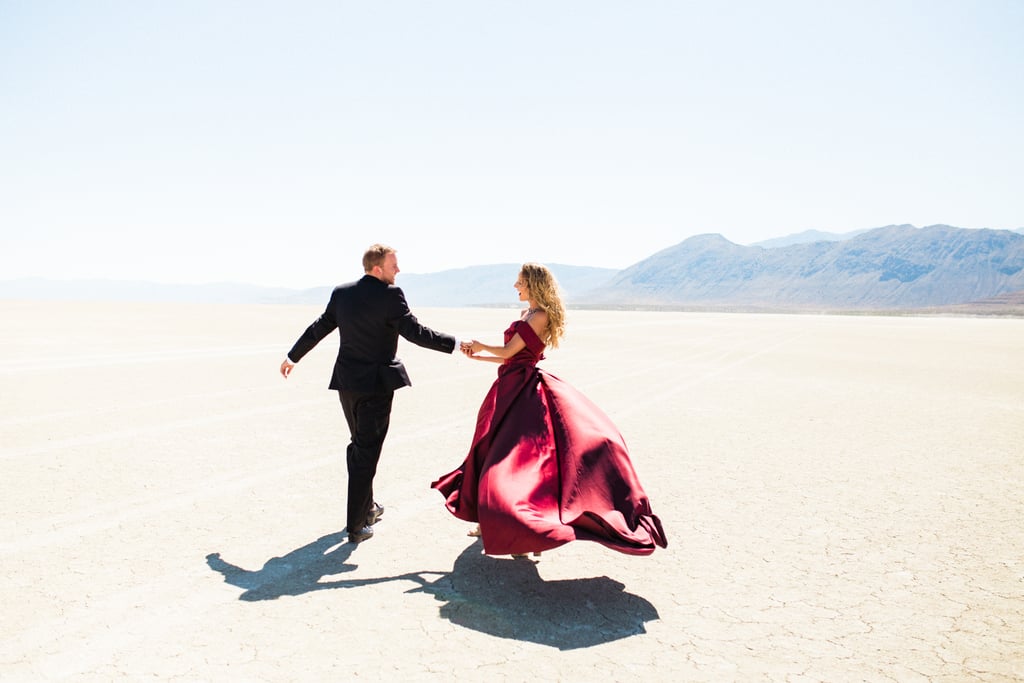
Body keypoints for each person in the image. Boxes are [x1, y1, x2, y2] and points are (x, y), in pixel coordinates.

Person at [431, 263, 667, 558]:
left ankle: (527, 525)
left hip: (524, 393)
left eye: (519, 283)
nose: (515, 287)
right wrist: (476, 357)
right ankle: (491, 519)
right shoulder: (525, 314)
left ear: (532, 284)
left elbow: (508, 353)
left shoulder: (540, 315)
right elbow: (511, 360)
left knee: (514, 461)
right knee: (490, 452)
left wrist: (480, 345)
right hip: (507, 387)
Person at [281, 244, 458, 544]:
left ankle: (368, 508)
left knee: (360, 447)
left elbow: (319, 328)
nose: (398, 270)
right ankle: (357, 526)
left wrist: (293, 357)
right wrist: (455, 344)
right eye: (394, 265)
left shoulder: (342, 293)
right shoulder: (391, 296)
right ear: (377, 268)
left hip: (347, 384)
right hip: (376, 387)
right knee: (365, 453)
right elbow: (415, 332)